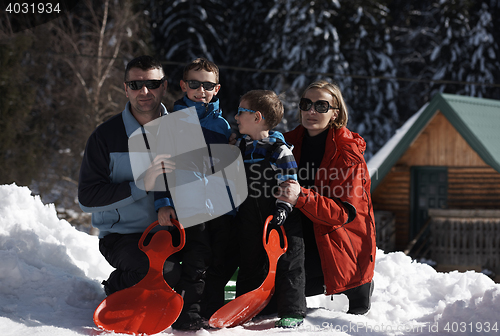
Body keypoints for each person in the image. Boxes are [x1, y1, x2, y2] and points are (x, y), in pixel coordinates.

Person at [78, 55, 178, 296]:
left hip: (175, 232)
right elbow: (87, 198)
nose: (144, 91)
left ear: (164, 86)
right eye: (135, 85)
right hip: (123, 237)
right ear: (126, 89)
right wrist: (140, 185)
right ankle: (116, 286)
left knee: (199, 270)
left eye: (152, 84)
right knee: (159, 273)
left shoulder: (182, 129)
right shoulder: (105, 136)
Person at [276, 80, 376, 315]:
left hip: (339, 245)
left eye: (321, 106)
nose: (311, 111)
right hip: (297, 240)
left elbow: (341, 214)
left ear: (335, 113)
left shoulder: (348, 155)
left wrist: (301, 196)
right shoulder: (284, 145)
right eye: (306, 104)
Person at [154, 58, 235, 330]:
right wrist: (164, 202)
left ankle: (211, 310)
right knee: (196, 258)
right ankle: (188, 314)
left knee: (220, 256)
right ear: (183, 85)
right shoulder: (172, 123)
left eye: (208, 85)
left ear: (217, 88)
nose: (201, 90)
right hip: (188, 202)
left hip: (219, 204)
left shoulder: (223, 126)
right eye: (194, 84)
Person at [233, 90, 306, 328]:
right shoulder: (242, 147)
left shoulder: (279, 150)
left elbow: (289, 182)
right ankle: (246, 307)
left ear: (256, 117)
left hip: (279, 215)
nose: (235, 117)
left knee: (287, 261)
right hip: (250, 214)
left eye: (240, 112)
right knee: (249, 260)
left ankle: (292, 310)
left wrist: (283, 207)